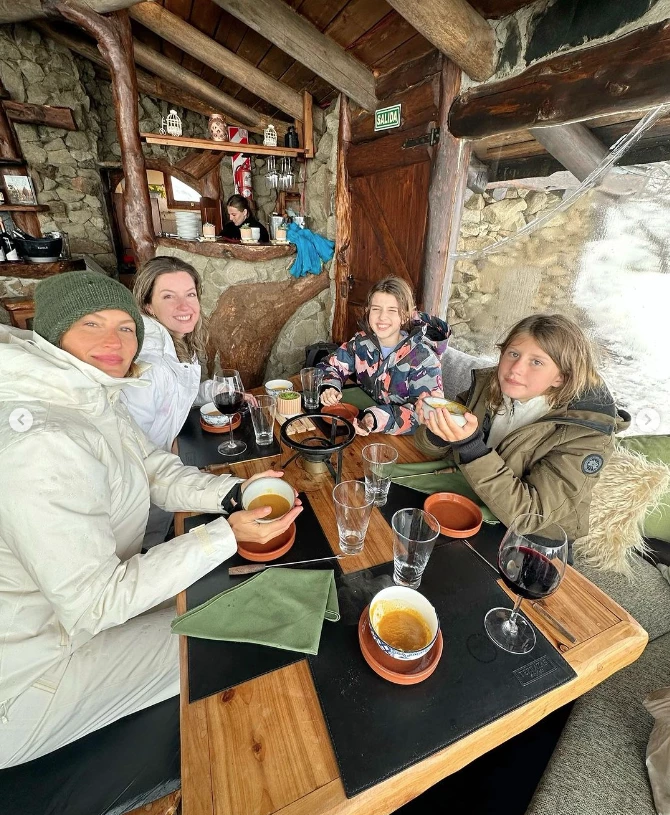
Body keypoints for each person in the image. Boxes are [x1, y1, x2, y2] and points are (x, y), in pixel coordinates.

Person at [0, 271, 301, 768]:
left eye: (124, 327)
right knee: (233, 634)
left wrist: (233, 493)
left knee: (220, 596)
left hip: (70, 617)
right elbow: (97, 602)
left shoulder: (88, 393)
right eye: (91, 324)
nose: (113, 342)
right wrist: (228, 533)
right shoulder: (40, 441)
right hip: (31, 673)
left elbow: (155, 468)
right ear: (53, 332)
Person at [414, 313, 630, 541]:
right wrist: (438, 431)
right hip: (471, 499)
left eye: (536, 362)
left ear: (561, 377)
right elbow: (435, 450)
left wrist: (471, 446)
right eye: (513, 354)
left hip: (533, 541)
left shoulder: (587, 435)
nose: (515, 369)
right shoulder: (490, 385)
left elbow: (529, 516)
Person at [318, 276, 450, 435]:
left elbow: (426, 413)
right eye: (376, 309)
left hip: (405, 443)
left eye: (392, 310)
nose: (382, 317)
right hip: (364, 427)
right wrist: (330, 386)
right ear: (368, 311)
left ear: (405, 315)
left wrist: (376, 418)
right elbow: (331, 365)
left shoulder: (424, 359)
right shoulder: (361, 342)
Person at [125, 255, 212, 453]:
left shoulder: (176, 341)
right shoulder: (150, 363)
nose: (184, 306)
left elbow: (176, 393)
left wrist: (215, 392)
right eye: (168, 296)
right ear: (148, 306)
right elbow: (134, 450)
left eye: (190, 294)